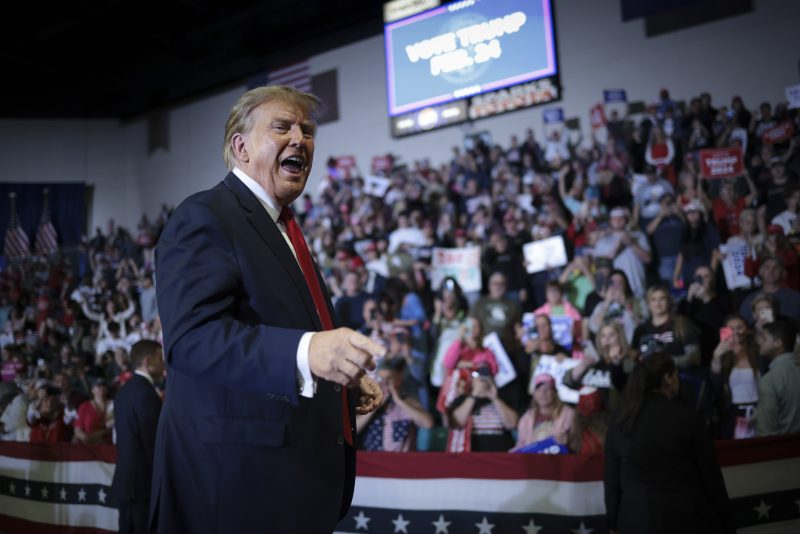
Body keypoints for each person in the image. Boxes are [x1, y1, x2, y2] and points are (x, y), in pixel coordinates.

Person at [151, 85, 385, 534]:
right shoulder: (205, 215)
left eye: (308, 130)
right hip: (234, 494)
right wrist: (307, 354)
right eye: (282, 127)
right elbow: (192, 340)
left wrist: (339, 381)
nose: (301, 139)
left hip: (291, 488)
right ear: (240, 147)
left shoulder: (285, 229)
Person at [604, 354, 734, 534]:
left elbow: (611, 481)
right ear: (668, 378)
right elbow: (711, 479)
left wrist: (613, 523)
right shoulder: (689, 418)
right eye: (676, 375)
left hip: (633, 520)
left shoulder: (619, 422)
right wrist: (727, 523)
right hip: (685, 520)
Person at [112, 340, 165, 534]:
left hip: (126, 484)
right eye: (160, 358)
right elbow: (152, 445)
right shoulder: (146, 394)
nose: (163, 363)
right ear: (148, 361)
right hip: (142, 487)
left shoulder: (124, 391)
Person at [356, 357, 433, 452]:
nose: (383, 383)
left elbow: (428, 424)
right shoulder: (367, 403)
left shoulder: (407, 401)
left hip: (399, 462)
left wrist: (399, 401)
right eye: (380, 379)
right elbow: (353, 430)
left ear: (398, 380)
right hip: (372, 460)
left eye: (388, 379)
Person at [709, 315, 759, 439]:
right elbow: (716, 383)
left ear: (747, 329)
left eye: (740, 327)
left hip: (758, 409)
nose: (736, 332)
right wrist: (717, 356)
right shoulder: (722, 354)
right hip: (732, 412)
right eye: (731, 328)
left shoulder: (757, 351)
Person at [755, 320, 800, 436]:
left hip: (784, 450)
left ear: (778, 343)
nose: (759, 342)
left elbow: (766, 433)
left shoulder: (770, 380)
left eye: (764, 338)